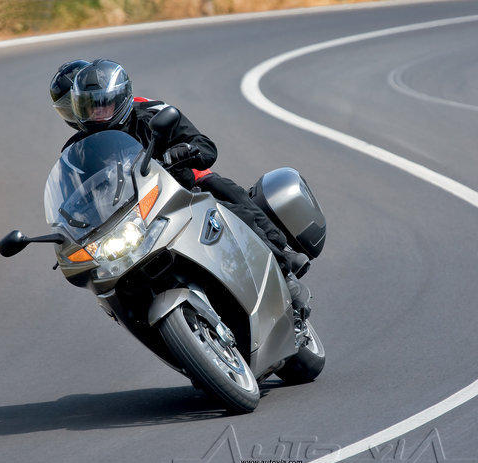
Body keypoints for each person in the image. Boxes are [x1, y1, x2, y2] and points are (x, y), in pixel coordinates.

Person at [49, 58, 311, 317]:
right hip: (131, 214)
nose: (97, 113)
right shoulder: (77, 151)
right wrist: (69, 227)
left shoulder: (151, 113)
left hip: (179, 191)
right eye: (89, 107)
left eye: (103, 104)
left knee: (223, 199)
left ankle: (283, 265)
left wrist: (184, 150)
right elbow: (72, 194)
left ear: (119, 97)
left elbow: (205, 147)